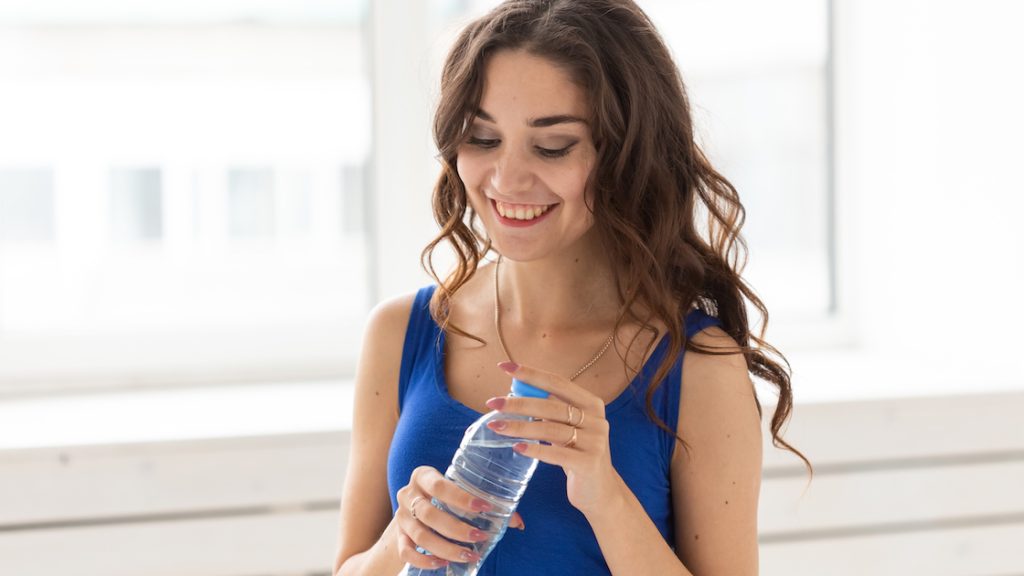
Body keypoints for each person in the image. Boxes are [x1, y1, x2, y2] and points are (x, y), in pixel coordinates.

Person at [333, 1, 810, 574]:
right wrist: (398, 543)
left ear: (628, 155)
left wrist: (604, 495)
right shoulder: (401, 334)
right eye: (482, 138)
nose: (506, 179)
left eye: (553, 146)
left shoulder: (699, 368)